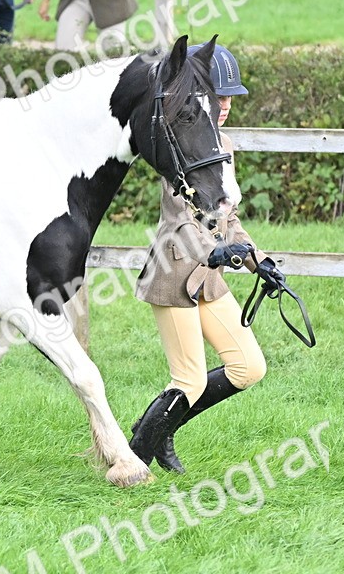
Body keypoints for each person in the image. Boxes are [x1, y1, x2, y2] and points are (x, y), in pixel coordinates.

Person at [129, 43, 287, 474]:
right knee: (190, 379)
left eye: (230, 97)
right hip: (175, 270)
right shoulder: (181, 143)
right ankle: (135, 458)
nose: (225, 105)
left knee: (248, 366)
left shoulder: (226, 145)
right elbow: (182, 220)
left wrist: (260, 261)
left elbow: (226, 218)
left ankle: (159, 430)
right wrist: (216, 251)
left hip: (208, 279)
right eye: (218, 96)